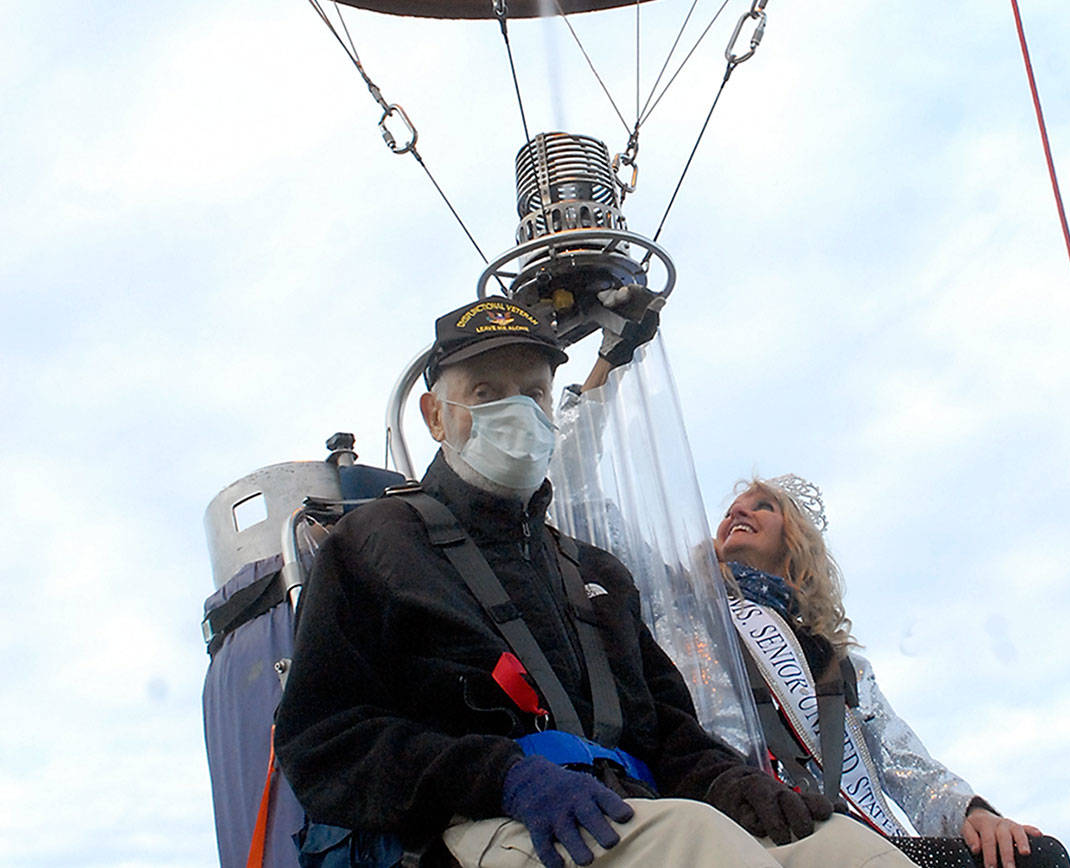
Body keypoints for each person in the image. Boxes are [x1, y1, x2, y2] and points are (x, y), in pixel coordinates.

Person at [274, 297, 920, 868]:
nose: (516, 411)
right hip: (477, 822)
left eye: (532, 392)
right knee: (696, 843)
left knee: (851, 850)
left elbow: (668, 732)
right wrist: (503, 777)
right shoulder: (374, 544)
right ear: (436, 417)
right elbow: (325, 740)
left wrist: (733, 784)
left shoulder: (595, 573)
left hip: (632, 808)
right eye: (485, 392)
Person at [713, 476, 1070, 868]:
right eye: (731, 510)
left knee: (1033, 857)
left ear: (795, 544)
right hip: (765, 830)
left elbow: (902, 758)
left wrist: (973, 814)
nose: (739, 511)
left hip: (860, 836)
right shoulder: (694, 624)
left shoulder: (839, 665)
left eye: (763, 505)